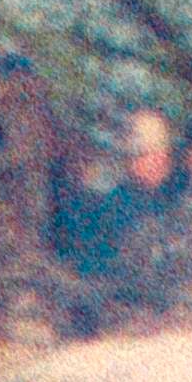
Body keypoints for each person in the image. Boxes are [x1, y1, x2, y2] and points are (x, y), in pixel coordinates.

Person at [50, 110, 179, 309]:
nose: (157, 163)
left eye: (162, 156)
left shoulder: (172, 201)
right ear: (130, 160)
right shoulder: (113, 205)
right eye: (147, 155)